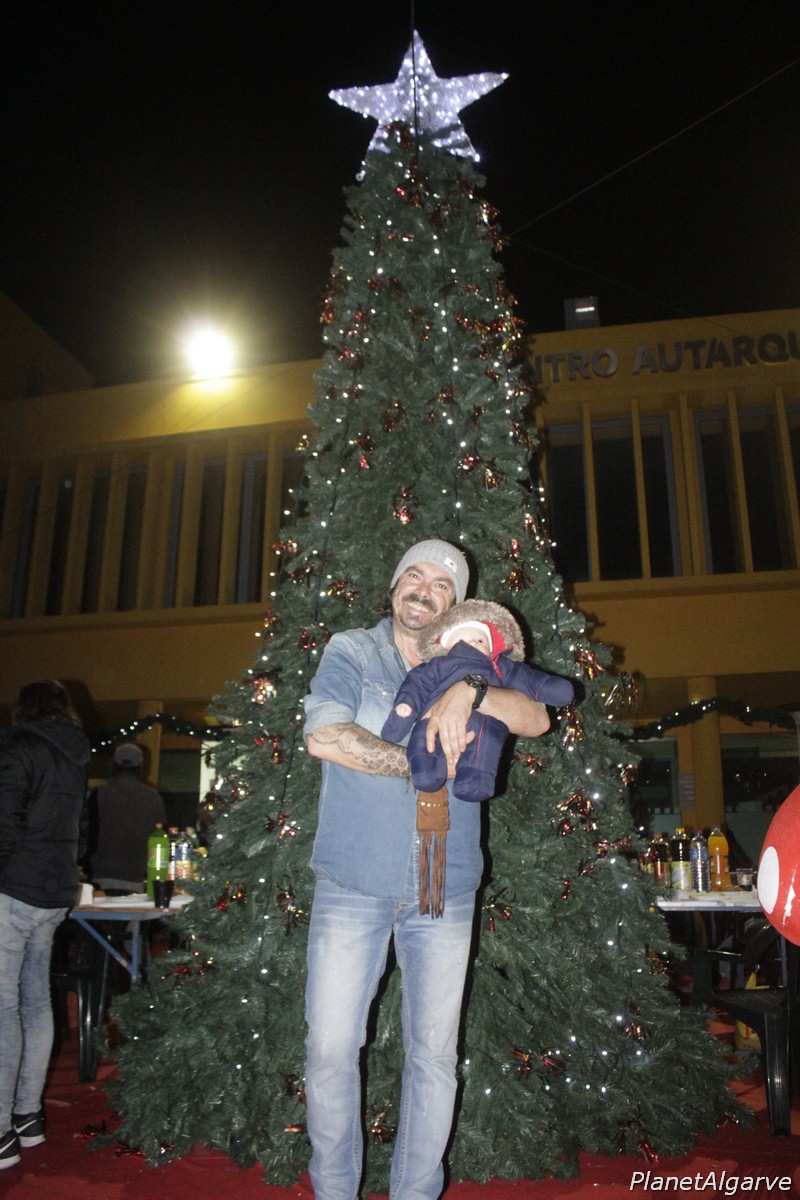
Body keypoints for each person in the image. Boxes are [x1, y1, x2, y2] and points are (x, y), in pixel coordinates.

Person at [303, 539, 550, 1200]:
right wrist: (421, 761)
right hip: (352, 880)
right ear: (393, 588)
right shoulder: (354, 651)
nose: (423, 588)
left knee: (435, 1057)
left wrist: (471, 689)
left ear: (457, 604)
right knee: (330, 1049)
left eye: (442, 583)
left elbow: (536, 716)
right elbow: (323, 735)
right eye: (413, 574)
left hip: (445, 884)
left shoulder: (476, 659)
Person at [0, 680, 91, 1170]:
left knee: (4, 1008)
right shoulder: (75, 754)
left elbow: (4, 820)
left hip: (14, 888)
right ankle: (28, 1116)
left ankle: (1, 1133)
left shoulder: (17, 745)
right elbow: (80, 828)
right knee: (35, 1003)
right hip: (55, 891)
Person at [381, 597, 574, 802]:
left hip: (483, 723)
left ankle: (475, 781)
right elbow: (417, 685)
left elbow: (528, 681)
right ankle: (425, 771)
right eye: (463, 640)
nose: (472, 644)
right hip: (433, 723)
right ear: (448, 644)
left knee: (487, 740)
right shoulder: (437, 665)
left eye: (480, 641)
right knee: (424, 739)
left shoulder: (500, 666)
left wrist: (551, 688)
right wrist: (405, 710)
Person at [87, 743, 165, 894]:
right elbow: (158, 838)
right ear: (141, 765)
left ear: (114, 764)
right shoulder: (153, 798)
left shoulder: (99, 793)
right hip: (137, 876)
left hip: (101, 874)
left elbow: (88, 832)